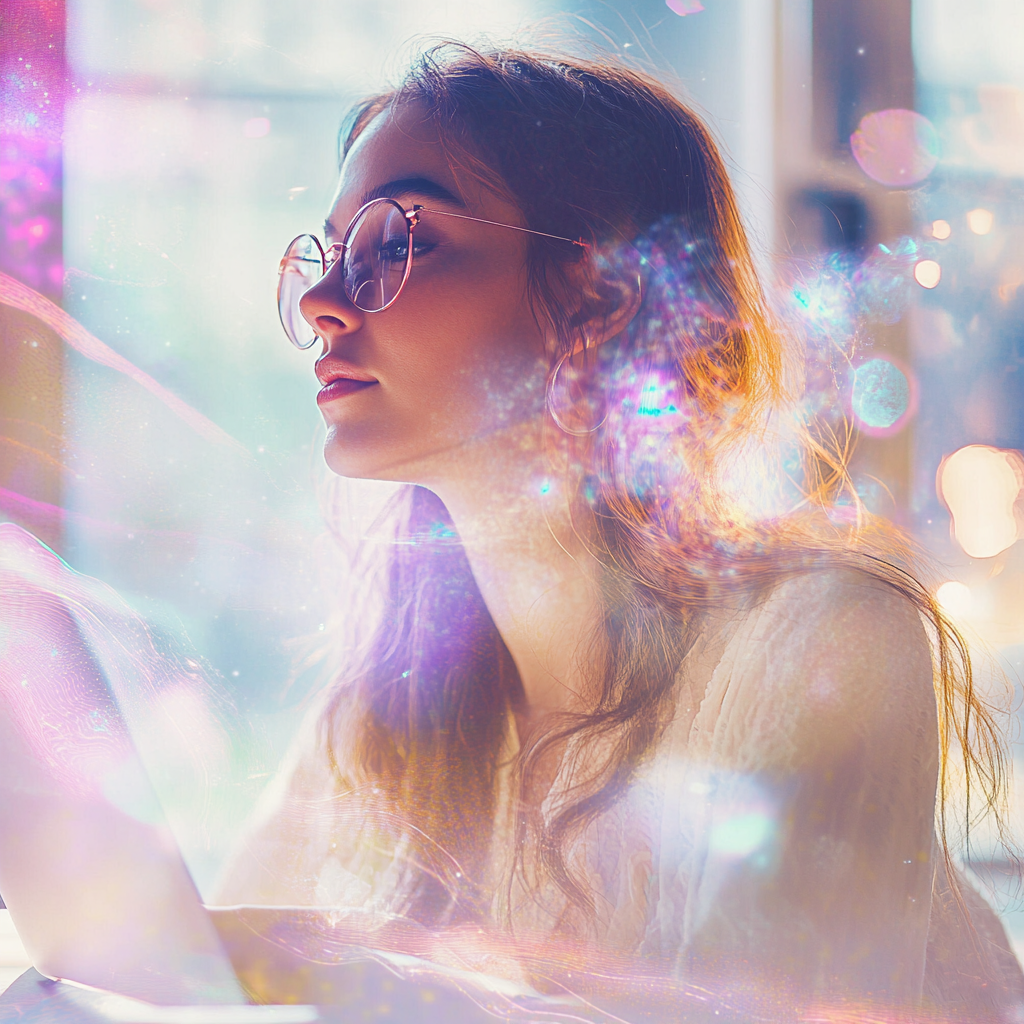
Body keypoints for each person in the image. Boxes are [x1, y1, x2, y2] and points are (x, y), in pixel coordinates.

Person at [211, 43, 1022, 1019]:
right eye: (328, 251)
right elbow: (201, 974)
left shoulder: (822, 643)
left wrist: (355, 966)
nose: (320, 300)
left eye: (399, 242)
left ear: (602, 295)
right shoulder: (390, 704)